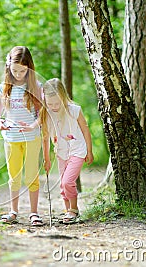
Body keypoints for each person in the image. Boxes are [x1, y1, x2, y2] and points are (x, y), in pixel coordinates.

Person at [0, 46, 44, 226]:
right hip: (11, 139)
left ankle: (34, 213)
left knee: (31, 175)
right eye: (15, 70)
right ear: (8, 67)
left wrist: (32, 126)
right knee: (14, 175)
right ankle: (13, 211)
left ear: (29, 69)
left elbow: (42, 114)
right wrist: (0, 123)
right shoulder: (4, 88)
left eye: (23, 71)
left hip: (32, 138)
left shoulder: (36, 87)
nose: (19, 74)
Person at [40, 78, 93, 224]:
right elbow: (45, 137)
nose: (54, 106)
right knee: (63, 185)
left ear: (63, 97)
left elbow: (85, 129)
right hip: (61, 152)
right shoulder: (46, 114)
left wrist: (89, 150)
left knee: (67, 181)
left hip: (78, 150)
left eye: (57, 103)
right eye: (50, 104)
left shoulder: (74, 110)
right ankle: (67, 211)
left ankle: (73, 210)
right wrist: (47, 158)